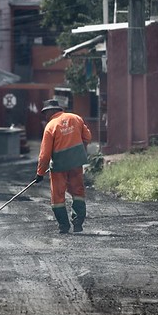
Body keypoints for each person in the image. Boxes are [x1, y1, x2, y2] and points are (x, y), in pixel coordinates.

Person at [34, 99, 92, 234]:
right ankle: (78, 223)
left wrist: (40, 173)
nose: (45, 116)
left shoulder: (50, 126)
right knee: (78, 192)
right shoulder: (76, 118)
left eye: (45, 113)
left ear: (51, 111)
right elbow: (87, 137)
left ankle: (64, 226)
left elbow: (45, 154)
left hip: (59, 167)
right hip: (76, 163)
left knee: (58, 196)